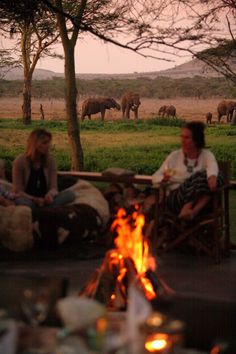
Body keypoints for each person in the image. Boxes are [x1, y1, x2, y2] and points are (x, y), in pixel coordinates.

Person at [152, 121, 224, 220]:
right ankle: (187, 208)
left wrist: (212, 177)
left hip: (200, 203)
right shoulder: (174, 156)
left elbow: (212, 166)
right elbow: (155, 177)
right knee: (199, 176)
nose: (182, 141)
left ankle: (193, 212)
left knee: (218, 175)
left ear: (196, 140)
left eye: (187, 138)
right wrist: (163, 179)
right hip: (176, 198)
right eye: (182, 137)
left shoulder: (206, 155)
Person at [12, 128, 75, 209]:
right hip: (28, 199)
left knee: (70, 195)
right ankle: (45, 211)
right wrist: (35, 199)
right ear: (34, 144)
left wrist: (50, 195)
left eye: (49, 142)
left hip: (45, 199)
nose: (48, 145)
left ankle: (43, 210)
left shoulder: (50, 160)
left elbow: (54, 188)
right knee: (22, 202)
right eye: (44, 143)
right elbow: (17, 191)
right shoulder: (20, 161)